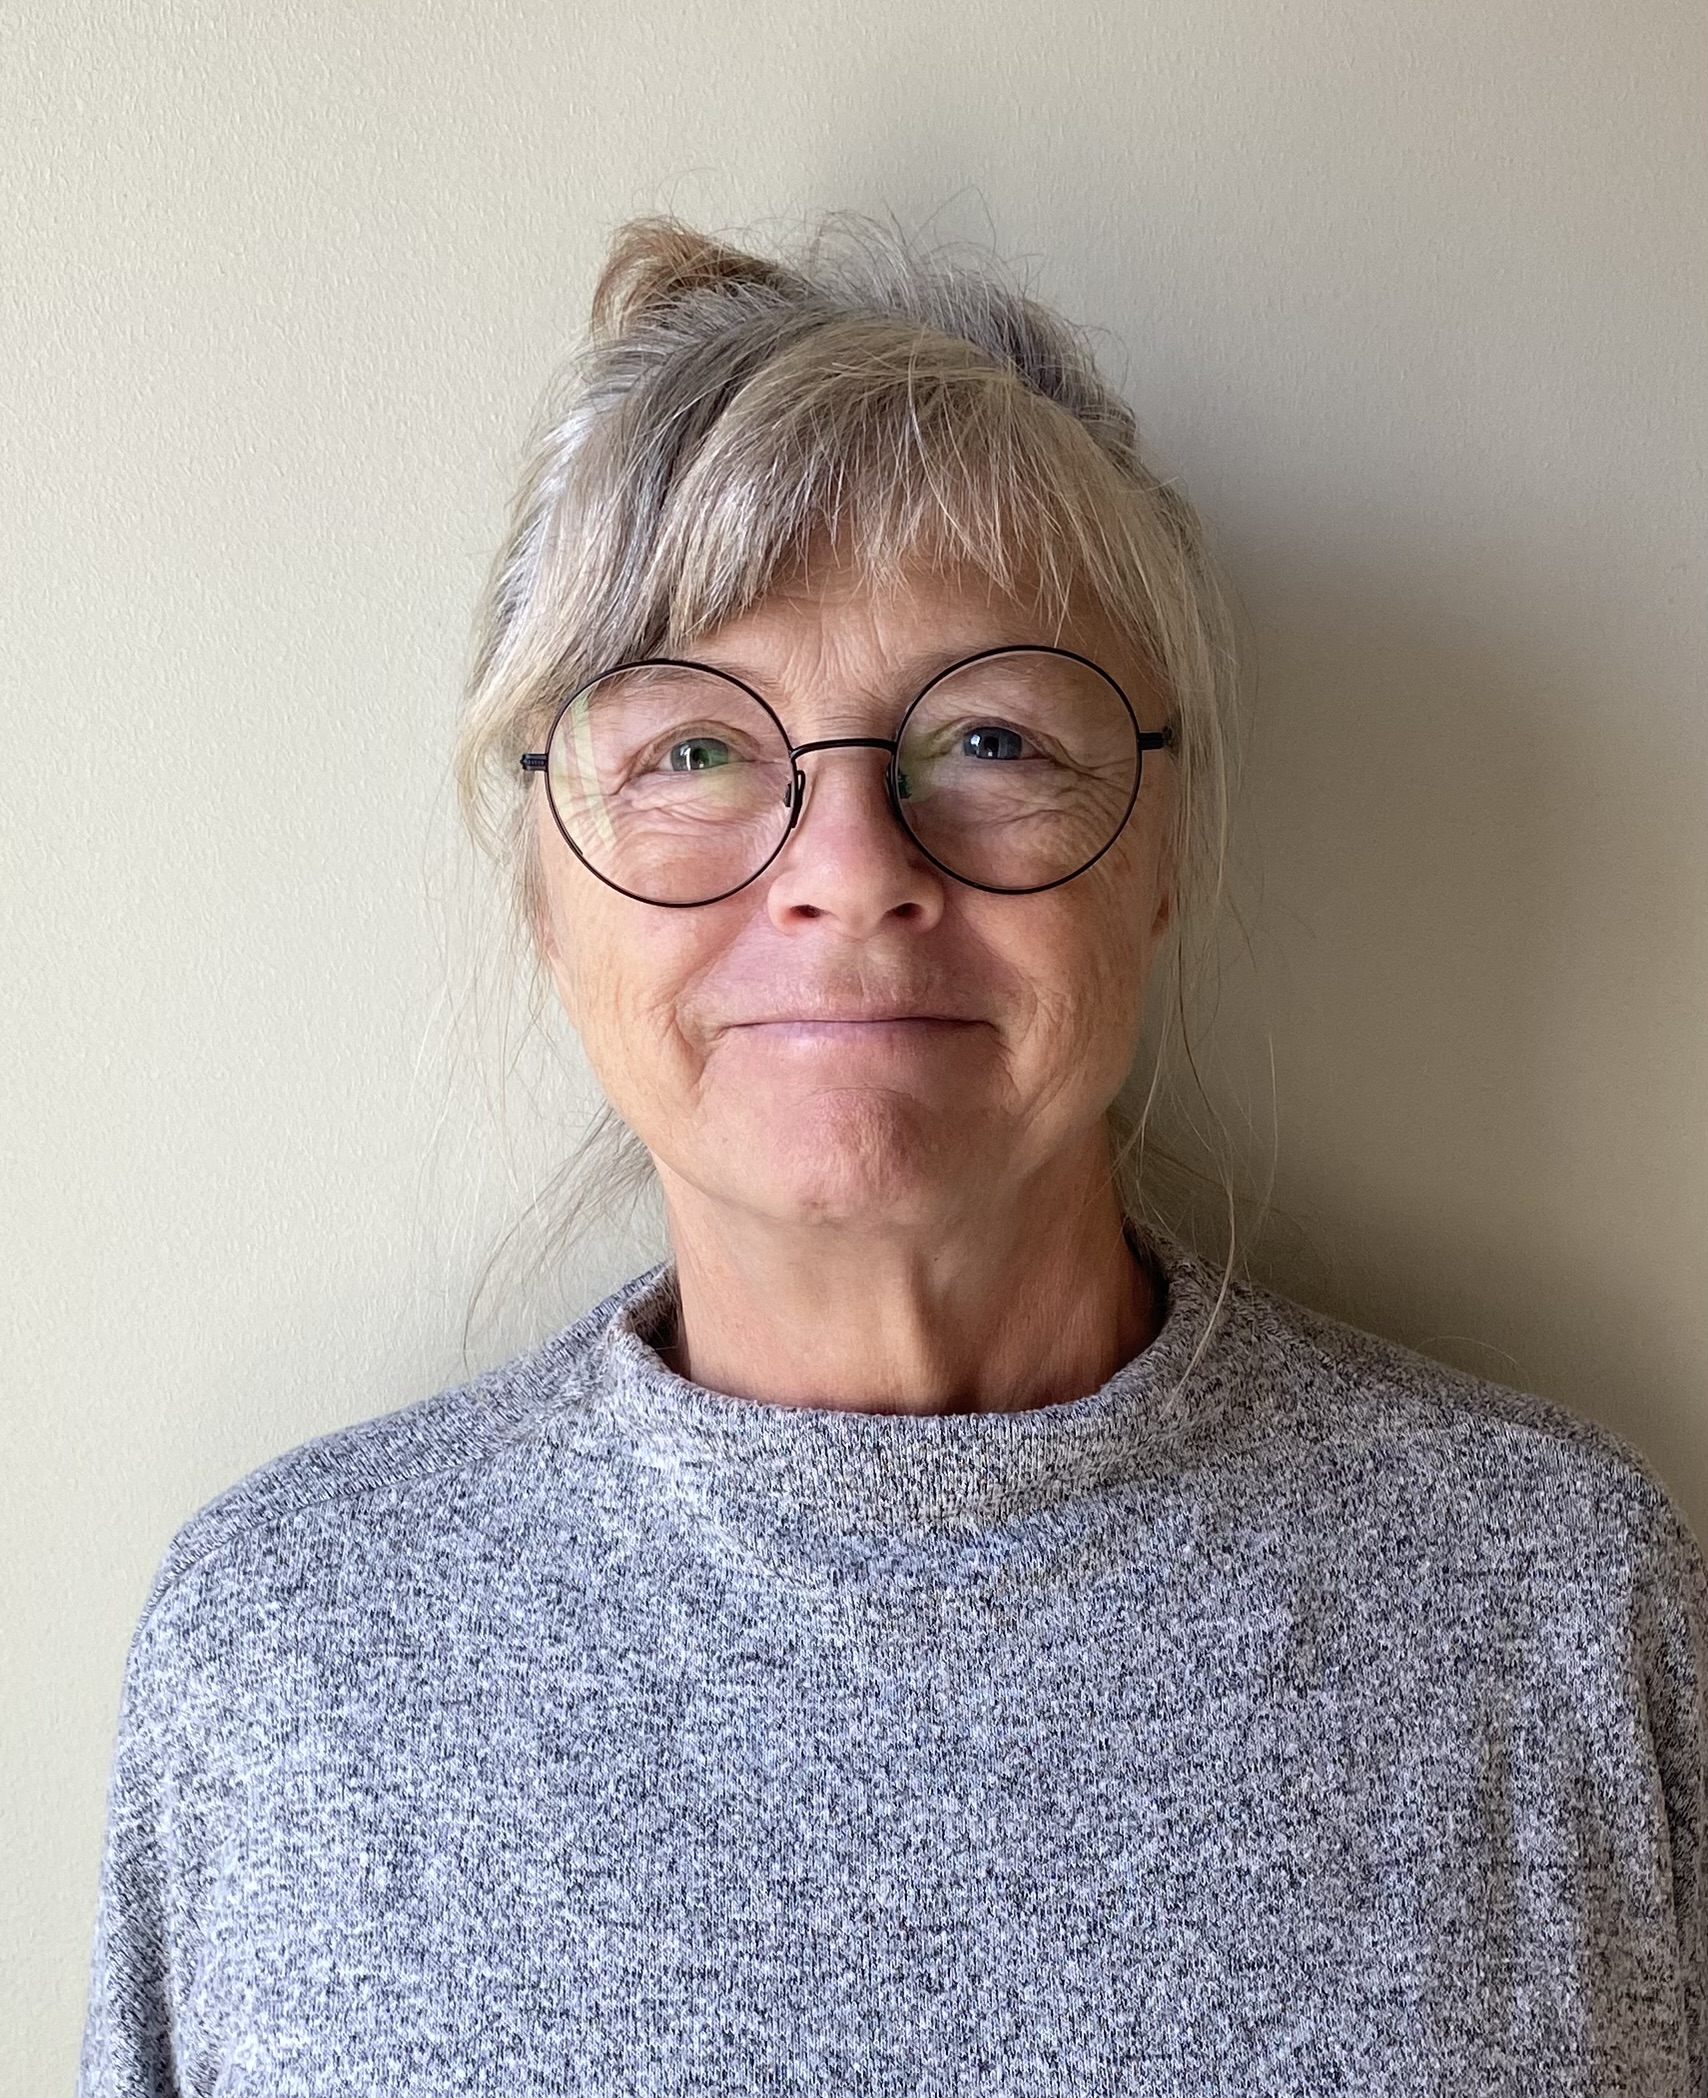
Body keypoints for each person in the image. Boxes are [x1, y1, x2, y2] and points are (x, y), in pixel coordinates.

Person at [78, 216, 1707, 2097]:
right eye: (694, 751)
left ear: (1163, 853)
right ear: (544, 883)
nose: (850, 871)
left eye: (993, 736)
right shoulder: (280, 1655)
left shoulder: (1554, 1613)